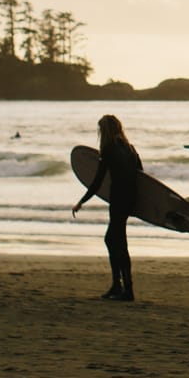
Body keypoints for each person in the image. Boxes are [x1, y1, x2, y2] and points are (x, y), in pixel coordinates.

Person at [72, 114, 142, 301]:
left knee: (114, 240)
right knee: (115, 240)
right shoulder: (130, 149)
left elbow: (97, 181)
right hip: (129, 200)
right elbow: (142, 177)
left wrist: (82, 201)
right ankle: (119, 286)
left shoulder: (109, 149)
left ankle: (125, 290)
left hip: (118, 200)